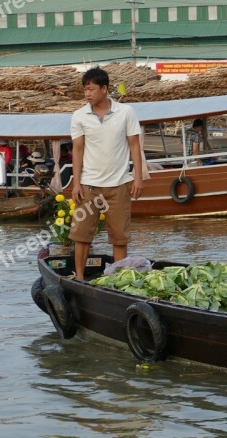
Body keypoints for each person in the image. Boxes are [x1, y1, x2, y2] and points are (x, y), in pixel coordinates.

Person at [69, 67, 143, 280]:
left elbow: (134, 146)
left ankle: (118, 279)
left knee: (120, 238)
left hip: (119, 184)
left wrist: (137, 177)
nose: (87, 94)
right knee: (81, 235)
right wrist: (76, 183)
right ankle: (80, 277)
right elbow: (78, 149)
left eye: (91, 89)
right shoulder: (79, 115)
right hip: (89, 186)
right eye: (85, 90)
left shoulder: (125, 112)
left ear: (104, 89)